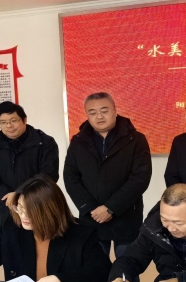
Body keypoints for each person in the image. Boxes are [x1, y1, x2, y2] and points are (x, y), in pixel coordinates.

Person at [0, 175, 111, 282]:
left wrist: (60, 281)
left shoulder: (81, 231)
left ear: (51, 211)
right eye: (20, 208)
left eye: (31, 211)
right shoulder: (12, 227)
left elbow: (100, 270)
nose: (23, 216)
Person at [64, 92, 152, 261]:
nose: (99, 116)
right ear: (87, 115)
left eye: (104, 111)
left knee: (127, 267)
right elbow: (70, 177)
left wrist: (111, 208)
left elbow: (140, 178)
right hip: (92, 217)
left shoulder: (136, 139)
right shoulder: (78, 141)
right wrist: (91, 208)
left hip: (126, 215)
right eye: (93, 112)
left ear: (115, 110)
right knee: (94, 267)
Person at [0, 101, 59, 223]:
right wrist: (8, 195)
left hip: (39, 203)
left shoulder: (45, 142)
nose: (9, 126)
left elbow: (49, 174)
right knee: (10, 234)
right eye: (3, 122)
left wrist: (19, 193)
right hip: (9, 205)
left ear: (24, 120)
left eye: (13, 120)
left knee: (41, 233)